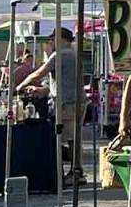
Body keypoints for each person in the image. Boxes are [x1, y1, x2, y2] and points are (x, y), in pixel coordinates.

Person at [19, 27, 84, 181]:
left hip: (67, 103)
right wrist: (42, 90)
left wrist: (19, 86)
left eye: (53, 38)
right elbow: (63, 81)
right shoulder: (74, 54)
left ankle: (75, 172)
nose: (51, 42)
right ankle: (76, 171)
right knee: (74, 137)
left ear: (62, 38)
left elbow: (40, 72)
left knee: (67, 139)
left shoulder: (60, 54)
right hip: (77, 100)